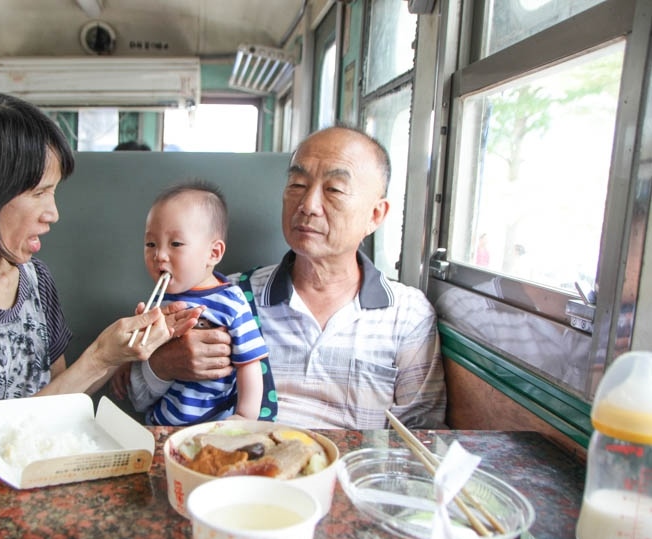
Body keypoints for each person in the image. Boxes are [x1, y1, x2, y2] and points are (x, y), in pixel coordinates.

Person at [0, 92, 200, 422]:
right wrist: (100, 355)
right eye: (39, 193)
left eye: (53, 192)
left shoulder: (34, 278)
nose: (53, 214)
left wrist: (122, 351)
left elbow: (60, 395)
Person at [121, 125, 447, 429]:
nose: (308, 205)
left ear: (375, 215)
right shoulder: (225, 295)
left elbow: (421, 436)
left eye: (334, 189)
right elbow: (137, 397)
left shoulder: (408, 315)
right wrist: (163, 366)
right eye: (297, 185)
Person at [133, 181, 269, 425]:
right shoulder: (160, 300)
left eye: (175, 244)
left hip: (214, 424)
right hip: (162, 422)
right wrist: (126, 363)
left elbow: (250, 362)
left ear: (213, 253)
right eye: (151, 244)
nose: (159, 255)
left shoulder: (231, 302)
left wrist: (245, 415)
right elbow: (143, 351)